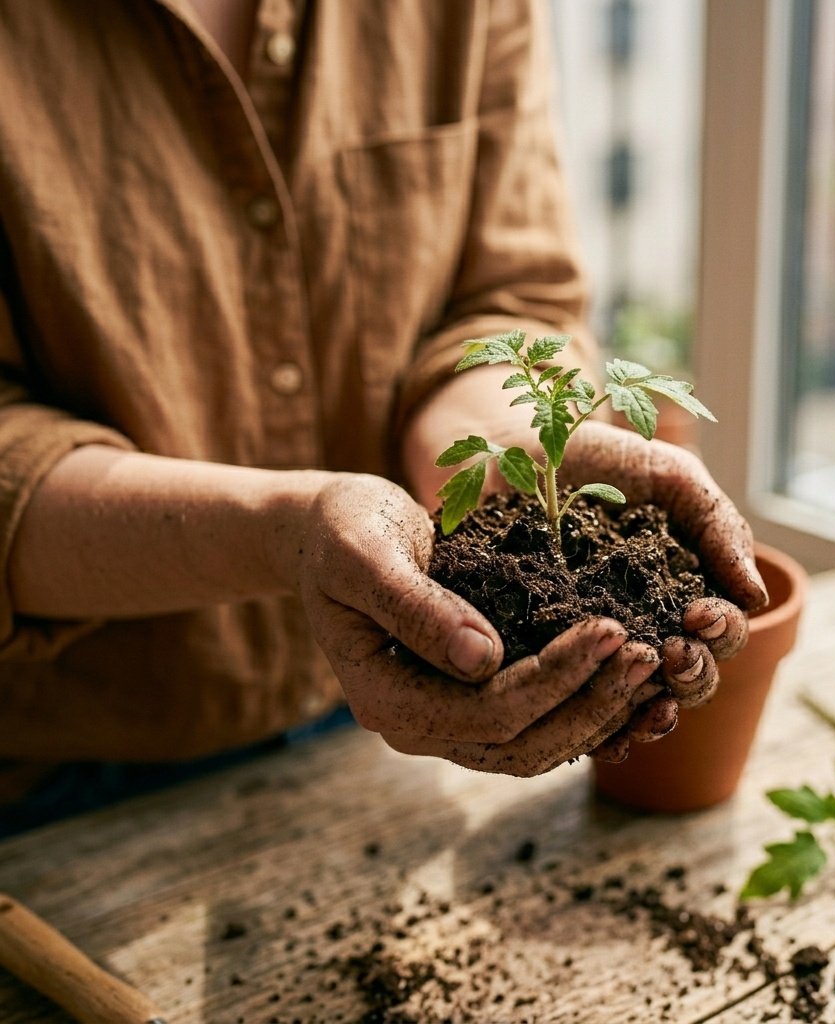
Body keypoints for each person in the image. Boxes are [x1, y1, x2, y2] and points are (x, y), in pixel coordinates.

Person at [0, 0, 766, 815]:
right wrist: (287, 532)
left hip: (386, 725)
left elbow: (509, 293)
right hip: (70, 778)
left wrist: (511, 439)